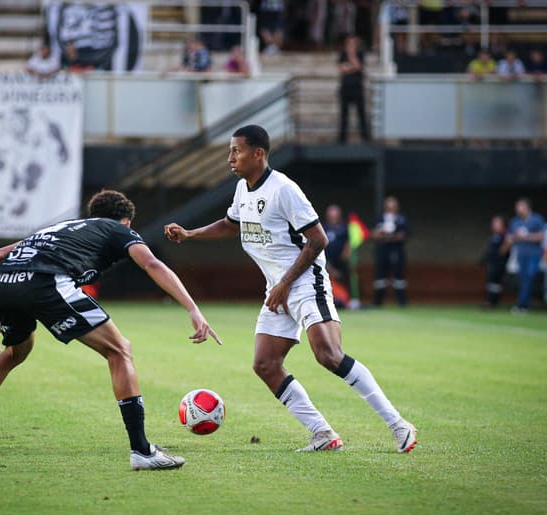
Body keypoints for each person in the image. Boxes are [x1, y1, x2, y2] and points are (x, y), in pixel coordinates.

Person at [164, 125, 417, 454]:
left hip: (305, 282)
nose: (230, 158)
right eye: (230, 151)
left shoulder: (284, 190)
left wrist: (285, 284)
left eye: (236, 151)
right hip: (277, 288)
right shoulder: (243, 188)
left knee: (328, 355)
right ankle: (323, 433)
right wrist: (191, 234)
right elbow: (232, 223)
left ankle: (399, 425)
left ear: (259, 153)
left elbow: (318, 239)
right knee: (265, 364)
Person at [0, 190, 221, 471]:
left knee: (15, 352)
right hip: (45, 282)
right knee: (120, 350)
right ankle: (142, 451)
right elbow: (151, 263)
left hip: (6, 284)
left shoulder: (63, 228)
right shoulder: (117, 228)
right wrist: (192, 309)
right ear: (126, 223)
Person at [504, 197, 545, 313]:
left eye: (520, 206)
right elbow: (509, 238)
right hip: (521, 255)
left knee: (529, 277)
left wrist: (526, 236)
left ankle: (522, 305)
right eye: (517, 207)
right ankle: (524, 305)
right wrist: (516, 236)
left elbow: (542, 236)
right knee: (524, 279)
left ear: (527, 207)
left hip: (534, 254)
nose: (518, 209)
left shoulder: (537, 219)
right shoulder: (515, 222)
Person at [371, 196, 409, 307]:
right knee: (380, 277)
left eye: (393, 206)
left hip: (396, 251)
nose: (391, 208)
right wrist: (381, 233)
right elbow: (373, 234)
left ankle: (402, 302)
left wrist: (391, 237)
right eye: (388, 206)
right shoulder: (379, 218)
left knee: (398, 277)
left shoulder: (401, 219)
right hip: (382, 251)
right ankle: (378, 302)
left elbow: (405, 234)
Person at [337, 34, 370, 144]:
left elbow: (358, 66)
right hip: (345, 88)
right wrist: (352, 67)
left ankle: (365, 138)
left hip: (357, 88)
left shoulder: (360, 54)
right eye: (349, 43)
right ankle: (342, 139)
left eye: (353, 43)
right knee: (344, 115)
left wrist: (351, 55)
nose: (351, 45)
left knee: (361, 114)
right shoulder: (342, 54)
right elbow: (342, 69)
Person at [323, 204, 351, 304]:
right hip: (326, 262)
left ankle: (345, 300)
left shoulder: (344, 228)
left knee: (342, 279)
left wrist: (346, 253)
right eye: (331, 215)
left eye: (335, 215)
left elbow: (348, 243)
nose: (333, 217)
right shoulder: (323, 228)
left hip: (341, 262)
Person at [481, 215, 510, 309]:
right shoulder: (494, 236)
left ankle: (492, 301)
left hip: (500, 263)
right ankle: (491, 301)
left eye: (496, 222)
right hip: (492, 263)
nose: (494, 225)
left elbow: (505, 249)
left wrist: (500, 257)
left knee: (495, 283)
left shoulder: (505, 235)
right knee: (491, 282)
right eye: (493, 223)